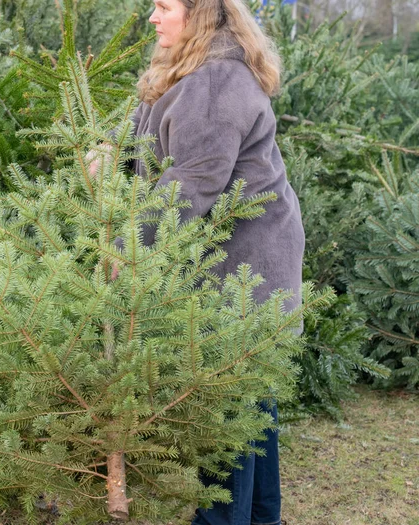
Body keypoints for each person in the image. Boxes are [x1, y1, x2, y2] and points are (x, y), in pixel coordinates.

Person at [89, 1, 304, 524]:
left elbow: (191, 184)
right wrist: (105, 148)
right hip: (241, 260)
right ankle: (259, 518)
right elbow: (144, 124)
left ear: (200, 14)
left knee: (225, 405)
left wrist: (131, 249)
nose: (152, 17)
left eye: (164, 6)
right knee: (252, 403)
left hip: (247, 268)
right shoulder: (189, 70)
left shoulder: (214, 81)